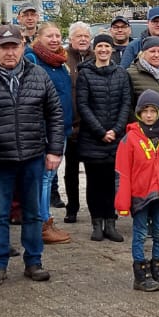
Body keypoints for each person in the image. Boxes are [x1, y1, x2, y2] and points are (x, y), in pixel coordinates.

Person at [0, 25, 62, 286]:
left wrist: (55, 149)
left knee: (33, 212)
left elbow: (54, 114)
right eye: (4, 47)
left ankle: (34, 261)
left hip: (33, 156)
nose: (10, 52)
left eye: (14, 46)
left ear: (23, 47)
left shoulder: (39, 76)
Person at [117, 90, 159, 292]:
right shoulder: (130, 139)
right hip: (140, 194)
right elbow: (123, 172)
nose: (148, 115)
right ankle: (140, 275)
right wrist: (122, 202)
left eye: (152, 111)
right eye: (144, 111)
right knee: (139, 234)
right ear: (138, 113)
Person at [75, 33, 132, 243]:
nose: (103, 50)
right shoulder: (85, 74)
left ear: (112, 50)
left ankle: (111, 222)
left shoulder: (121, 74)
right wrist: (101, 132)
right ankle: (96, 223)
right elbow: (83, 105)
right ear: (94, 49)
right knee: (94, 183)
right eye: (99, 46)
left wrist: (116, 130)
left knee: (111, 183)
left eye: (107, 47)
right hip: (93, 138)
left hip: (116, 138)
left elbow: (126, 103)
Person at [26, 24, 74, 244]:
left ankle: (45, 221)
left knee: (49, 177)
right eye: (49, 36)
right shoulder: (32, 59)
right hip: (43, 129)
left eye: (57, 35)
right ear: (38, 37)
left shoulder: (60, 62)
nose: (54, 39)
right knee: (44, 178)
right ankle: (42, 224)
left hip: (60, 128)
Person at [61, 22, 95, 224]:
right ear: (71, 39)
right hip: (71, 124)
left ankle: (95, 208)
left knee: (93, 171)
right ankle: (72, 207)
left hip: (91, 126)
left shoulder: (95, 57)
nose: (83, 39)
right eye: (78, 36)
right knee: (71, 170)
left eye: (86, 36)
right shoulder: (63, 58)